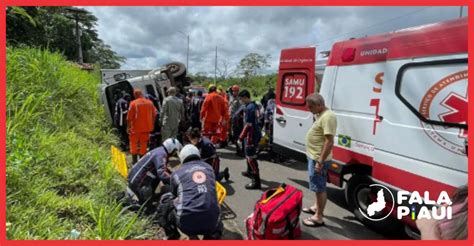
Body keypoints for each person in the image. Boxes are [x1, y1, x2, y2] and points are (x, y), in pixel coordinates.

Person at [157, 144, 222, 240]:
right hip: (211, 224)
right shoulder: (209, 168)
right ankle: (211, 237)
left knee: (164, 203)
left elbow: (175, 196)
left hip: (186, 225)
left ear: (182, 158)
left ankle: (172, 235)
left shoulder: (177, 173)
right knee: (216, 213)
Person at [302, 93, 337, 227]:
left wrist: (320, 161)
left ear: (319, 105)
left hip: (318, 159)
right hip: (314, 156)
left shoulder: (328, 117)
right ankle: (316, 207)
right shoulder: (320, 114)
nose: (308, 109)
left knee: (319, 187)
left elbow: (329, 142)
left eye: (311, 107)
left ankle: (318, 217)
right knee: (317, 186)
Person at [126, 138, 182, 211]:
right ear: (171, 149)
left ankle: (148, 197)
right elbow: (162, 174)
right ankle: (144, 205)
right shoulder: (162, 154)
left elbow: (162, 169)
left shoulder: (159, 151)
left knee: (157, 177)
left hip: (133, 179)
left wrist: (173, 175)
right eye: (175, 151)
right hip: (137, 184)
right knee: (148, 209)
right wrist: (176, 181)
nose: (174, 153)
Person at [238, 89, 262, 189]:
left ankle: (256, 181)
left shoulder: (250, 108)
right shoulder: (254, 105)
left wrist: (240, 137)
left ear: (245, 97)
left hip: (250, 136)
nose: (240, 101)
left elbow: (248, 125)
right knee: (248, 155)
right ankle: (249, 172)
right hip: (254, 133)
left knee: (251, 157)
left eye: (241, 99)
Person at [127, 89, 157, 164]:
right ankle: (141, 162)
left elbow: (129, 117)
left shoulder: (133, 103)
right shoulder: (150, 103)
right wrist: (152, 124)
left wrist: (128, 127)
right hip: (147, 128)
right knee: (143, 144)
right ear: (142, 94)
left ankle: (134, 161)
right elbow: (155, 114)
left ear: (135, 95)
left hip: (136, 128)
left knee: (134, 144)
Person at [229, 85, 243, 154]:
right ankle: (238, 148)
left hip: (237, 120)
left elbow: (240, 109)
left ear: (237, 91)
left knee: (237, 134)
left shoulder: (239, 99)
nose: (234, 92)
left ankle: (239, 150)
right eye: (233, 91)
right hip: (232, 118)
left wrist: (236, 116)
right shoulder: (232, 98)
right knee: (233, 133)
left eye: (235, 91)